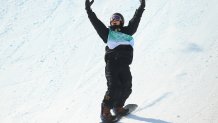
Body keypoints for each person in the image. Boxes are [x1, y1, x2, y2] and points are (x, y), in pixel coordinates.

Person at [85, 0, 145, 122]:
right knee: (114, 88)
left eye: (117, 19)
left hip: (124, 65)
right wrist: (88, 10)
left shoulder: (128, 31)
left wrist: (141, 6)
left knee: (127, 87)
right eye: (113, 19)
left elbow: (135, 20)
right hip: (112, 64)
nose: (115, 20)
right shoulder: (107, 33)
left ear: (121, 21)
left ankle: (118, 107)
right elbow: (96, 23)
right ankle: (105, 111)